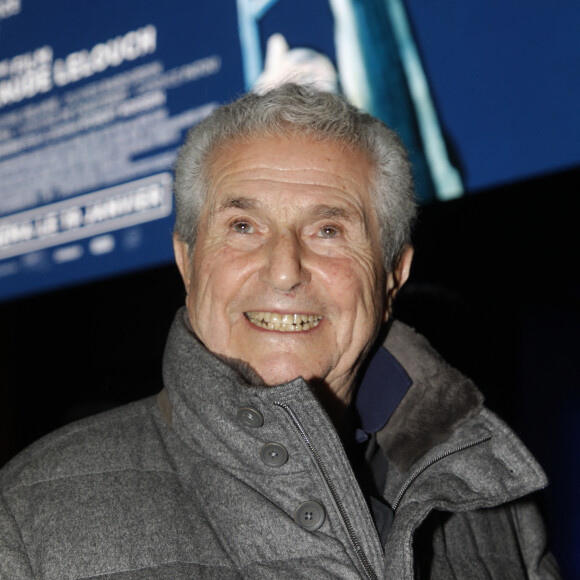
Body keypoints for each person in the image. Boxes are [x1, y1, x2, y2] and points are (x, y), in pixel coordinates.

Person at [0, 84, 559, 579]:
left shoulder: (496, 507)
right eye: (243, 226)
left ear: (393, 275)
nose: (285, 268)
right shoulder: (26, 517)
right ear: (187, 262)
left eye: (328, 229)